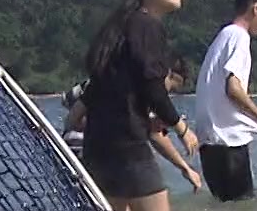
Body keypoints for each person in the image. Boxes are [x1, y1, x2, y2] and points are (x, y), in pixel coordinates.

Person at [76, 0, 201, 211]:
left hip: (99, 145)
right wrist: (181, 128)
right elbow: (152, 87)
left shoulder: (117, 29)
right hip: (129, 145)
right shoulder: (146, 25)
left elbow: (94, 91)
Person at [63, 58, 203, 193]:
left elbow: (69, 104)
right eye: (170, 88)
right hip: (92, 149)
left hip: (73, 147)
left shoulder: (112, 78)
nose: (165, 94)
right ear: (168, 73)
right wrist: (185, 168)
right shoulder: (145, 91)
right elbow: (155, 136)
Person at [193, 0, 257, 202]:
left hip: (210, 141)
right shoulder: (240, 37)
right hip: (228, 142)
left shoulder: (223, 36)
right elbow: (233, 88)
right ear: (256, 8)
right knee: (241, 210)